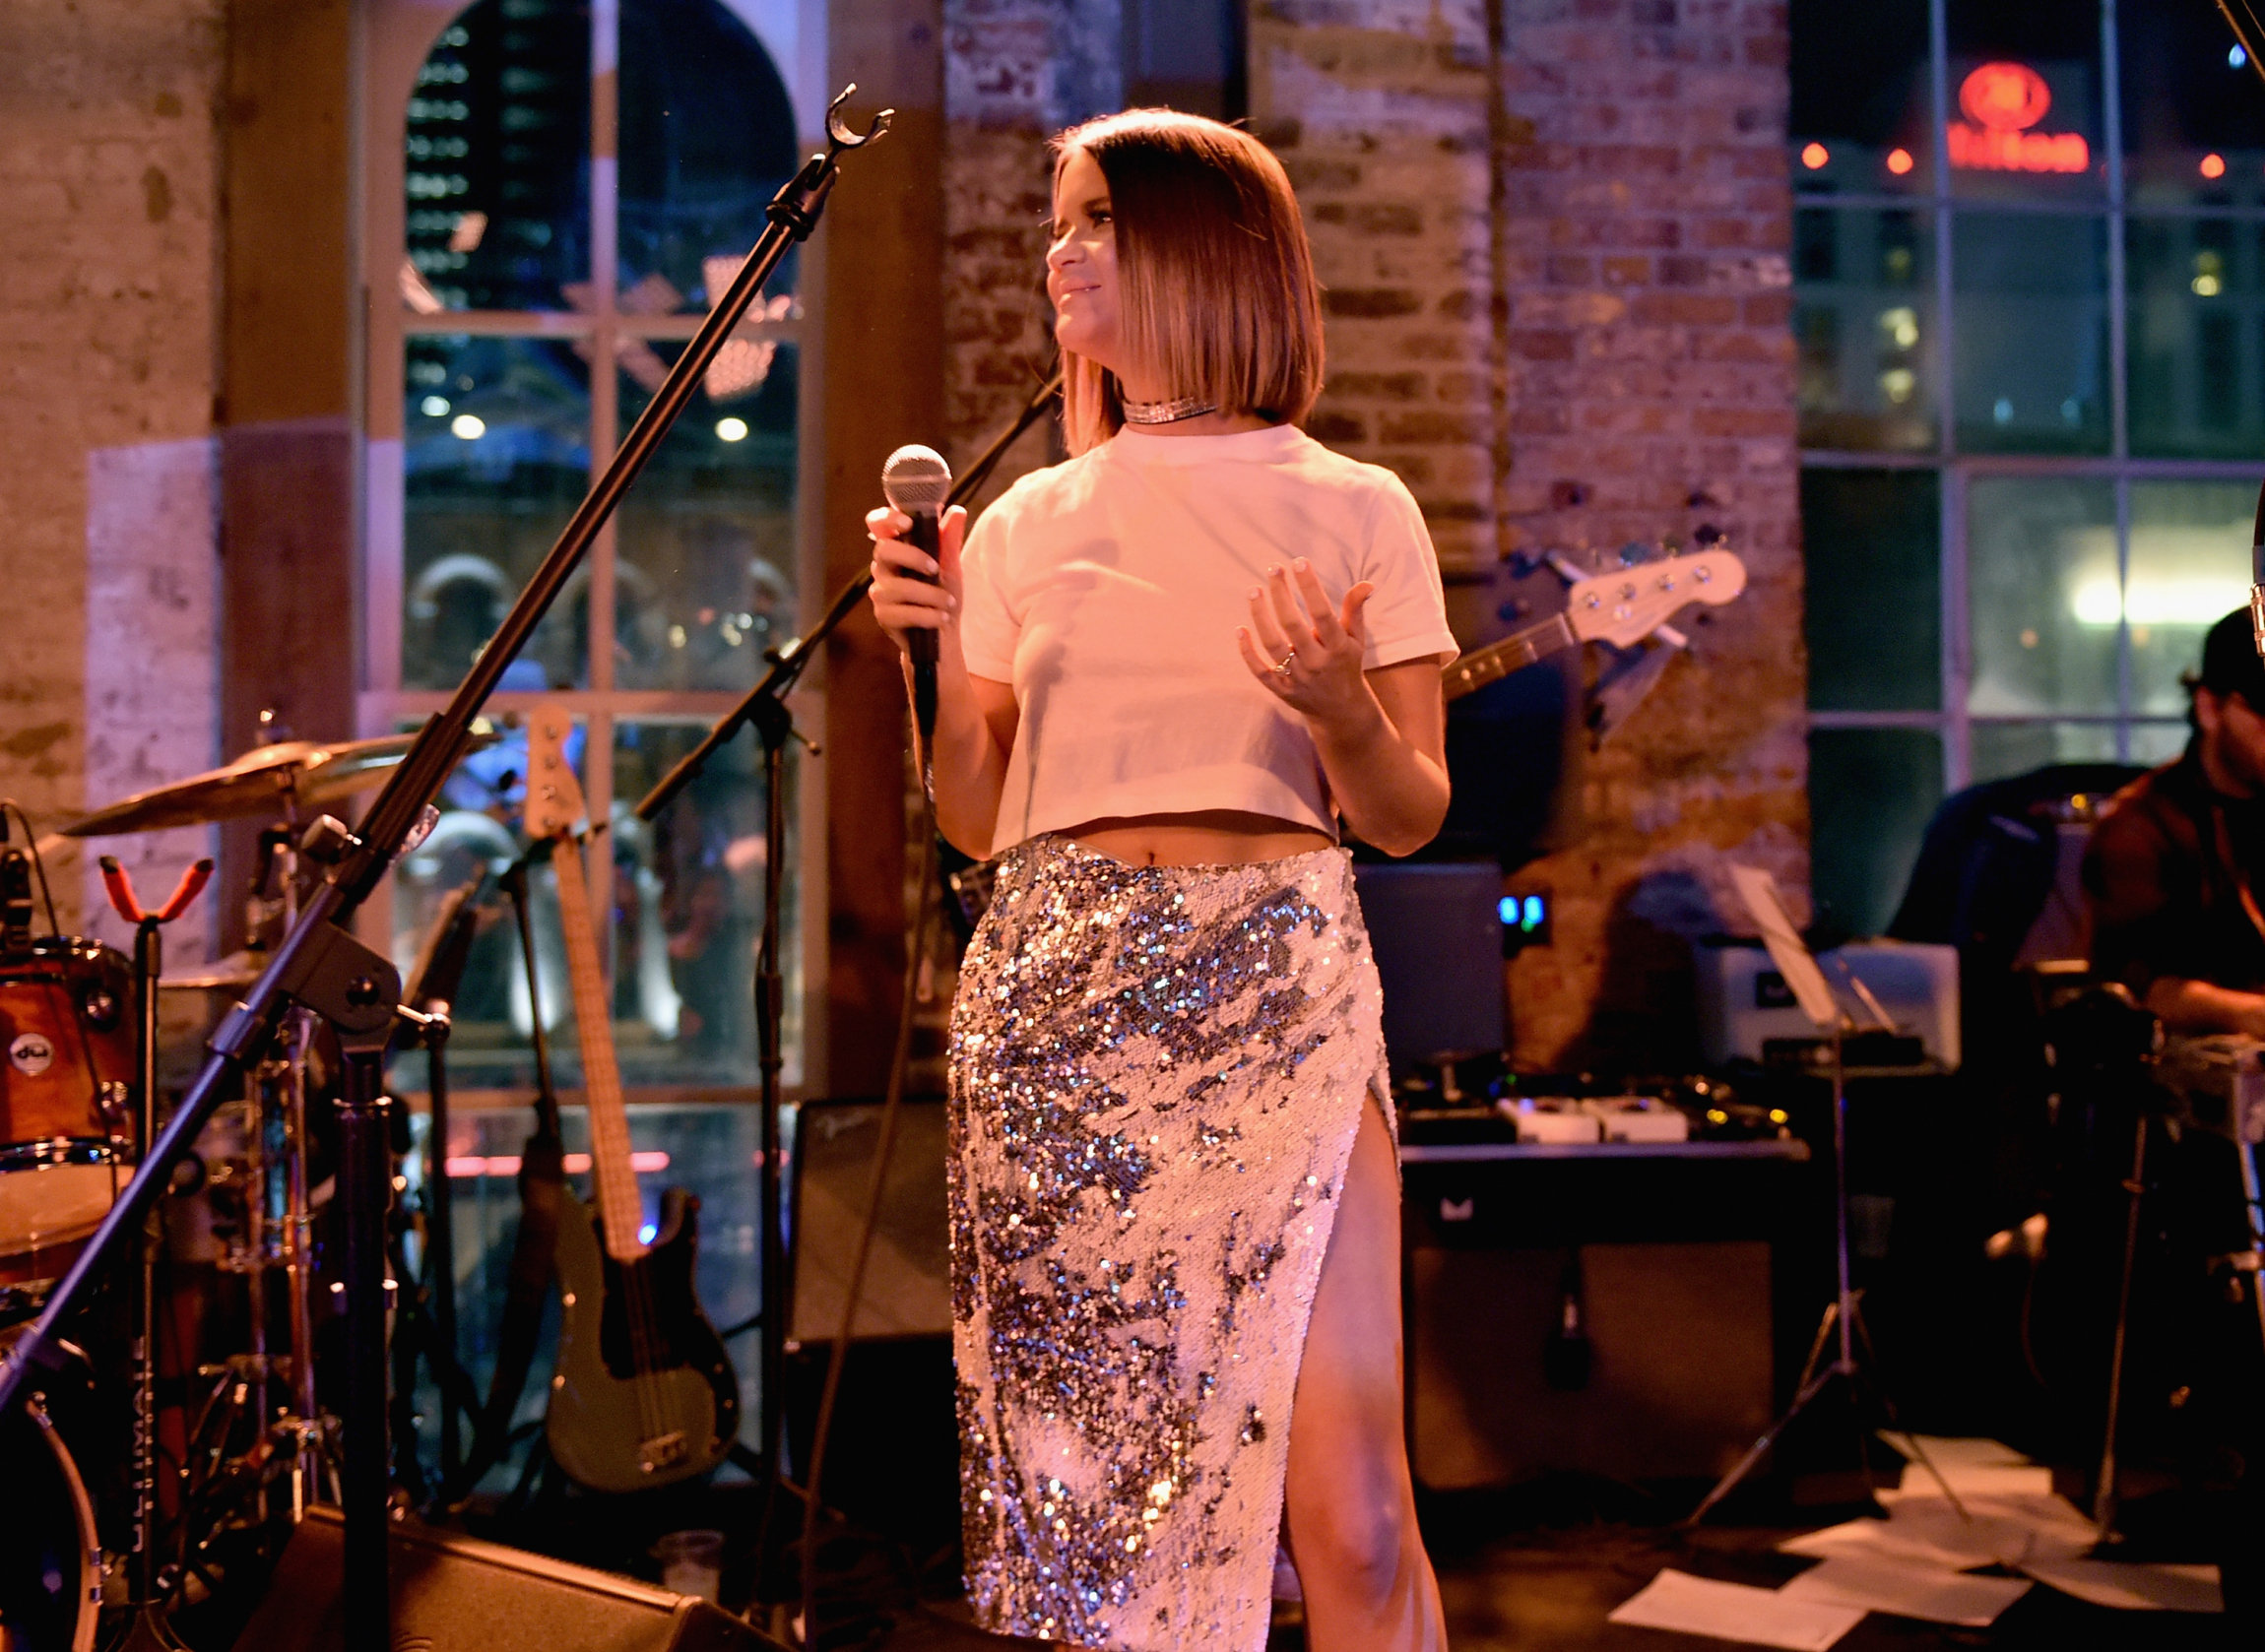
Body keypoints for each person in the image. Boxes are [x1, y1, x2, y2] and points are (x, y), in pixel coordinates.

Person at [865, 109, 1456, 1652]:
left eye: (1101, 217)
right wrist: (924, 649)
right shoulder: (1023, 528)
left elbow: (1407, 813)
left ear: (1210, 248)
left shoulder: (1359, 506)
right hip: (1060, 1012)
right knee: (1100, 1559)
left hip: (1282, 995)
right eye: (1059, 218)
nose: (1062, 248)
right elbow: (977, 823)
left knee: (1360, 1517)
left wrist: (1337, 707)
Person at [2085, 606, 2265, 1031]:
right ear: (2209, 707)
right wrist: (2251, 1014)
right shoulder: (2139, 828)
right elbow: (2139, 987)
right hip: (2194, 1088)